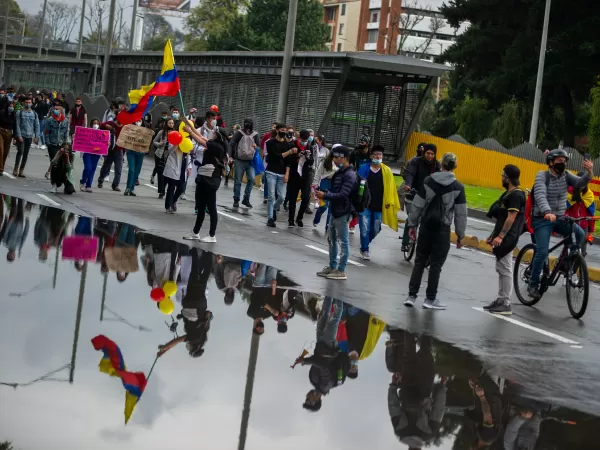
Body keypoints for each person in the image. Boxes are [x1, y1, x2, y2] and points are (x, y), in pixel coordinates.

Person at [527, 149, 593, 300]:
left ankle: (566, 263)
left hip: (560, 217)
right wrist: (547, 211)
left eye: (564, 161)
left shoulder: (565, 175)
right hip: (543, 218)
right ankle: (533, 283)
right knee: (542, 252)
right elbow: (540, 194)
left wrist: (589, 172)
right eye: (559, 161)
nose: (562, 163)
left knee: (580, 233)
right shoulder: (542, 176)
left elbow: (578, 183)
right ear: (550, 162)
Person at [405, 153, 467, 310]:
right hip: (443, 229)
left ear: (441, 164)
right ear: (455, 166)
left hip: (426, 226)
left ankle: (411, 296)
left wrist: (412, 225)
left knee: (419, 261)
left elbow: (417, 205)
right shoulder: (458, 187)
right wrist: (460, 235)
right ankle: (430, 299)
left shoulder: (428, 181)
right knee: (435, 265)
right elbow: (461, 214)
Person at [296, 296, 352, 412]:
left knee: (323, 315)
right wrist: (305, 361)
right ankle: (339, 294)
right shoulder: (325, 385)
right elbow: (323, 366)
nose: (307, 397)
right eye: (308, 400)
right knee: (335, 319)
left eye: (305, 399)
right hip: (329, 347)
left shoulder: (312, 380)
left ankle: (328, 293)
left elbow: (315, 360)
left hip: (320, 344)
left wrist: (304, 358)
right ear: (316, 400)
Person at [484, 165, 526, 315]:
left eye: (503, 175)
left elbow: (511, 217)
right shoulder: (508, 194)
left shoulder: (516, 195)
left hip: (508, 237)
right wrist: (493, 234)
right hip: (502, 235)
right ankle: (501, 300)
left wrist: (501, 236)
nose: (501, 178)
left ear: (508, 178)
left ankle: (506, 303)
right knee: (501, 268)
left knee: (505, 269)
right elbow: (502, 218)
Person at [157, 248, 214, 359]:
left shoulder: (202, 334)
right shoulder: (194, 338)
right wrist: (164, 347)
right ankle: (196, 253)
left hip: (199, 303)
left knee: (202, 278)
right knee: (194, 276)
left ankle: (207, 255)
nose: (188, 347)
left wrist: (165, 351)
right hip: (191, 303)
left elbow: (207, 315)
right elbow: (178, 341)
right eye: (190, 350)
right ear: (195, 348)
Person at [315, 146, 357, 280]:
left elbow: (344, 195)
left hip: (343, 211)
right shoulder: (340, 172)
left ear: (344, 158)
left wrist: (325, 196)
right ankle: (332, 267)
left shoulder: (349, 175)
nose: (334, 159)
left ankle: (341, 270)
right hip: (335, 210)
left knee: (343, 241)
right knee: (331, 239)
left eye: (336, 157)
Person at [184, 122, 228, 242]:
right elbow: (201, 136)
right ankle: (195, 232)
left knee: (211, 207)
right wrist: (191, 127)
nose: (212, 132)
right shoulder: (215, 143)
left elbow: (200, 140)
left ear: (218, 135)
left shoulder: (217, 146)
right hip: (204, 176)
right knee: (201, 205)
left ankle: (212, 235)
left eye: (214, 131)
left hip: (211, 178)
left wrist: (189, 132)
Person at [356, 145, 400, 260]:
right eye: (375, 154)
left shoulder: (387, 171)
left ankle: (366, 242)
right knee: (364, 227)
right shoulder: (363, 169)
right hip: (365, 204)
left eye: (379, 155)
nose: (377, 156)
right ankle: (364, 249)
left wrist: (389, 201)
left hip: (380, 204)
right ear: (371, 156)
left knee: (376, 228)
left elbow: (391, 188)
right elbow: (357, 185)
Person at [401, 143, 441, 251]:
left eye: (432, 154)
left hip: (428, 197)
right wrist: (408, 185)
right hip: (413, 193)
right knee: (412, 217)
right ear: (424, 153)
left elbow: (440, 179)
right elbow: (410, 174)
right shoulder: (415, 162)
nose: (430, 156)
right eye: (428, 153)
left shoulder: (437, 166)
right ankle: (405, 242)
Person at [265, 123, 296, 227]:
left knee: (282, 197)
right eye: (282, 129)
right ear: (277, 130)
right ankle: (270, 218)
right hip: (271, 171)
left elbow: (288, 161)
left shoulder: (287, 144)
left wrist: (287, 173)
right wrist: (289, 152)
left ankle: (273, 208)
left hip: (282, 173)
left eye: (285, 130)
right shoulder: (270, 143)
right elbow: (275, 156)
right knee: (271, 195)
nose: (284, 131)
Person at [286, 129, 315, 227]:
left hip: (306, 175)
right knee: (292, 198)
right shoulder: (293, 145)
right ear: (299, 138)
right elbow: (288, 160)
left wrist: (308, 157)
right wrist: (297, 155)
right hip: (294, 175)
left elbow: (312, 162)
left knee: (306, 198)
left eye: (306, 139)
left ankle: (299, 217)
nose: (305, 141)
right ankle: (291, 219)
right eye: (303, 139)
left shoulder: (310, 146)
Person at [230, 118, 259, 208]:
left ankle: (246, 198)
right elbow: (231, 143)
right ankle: (236, 199)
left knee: (251, 179)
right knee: (237, 181)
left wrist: (255, 146)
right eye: (246, 123)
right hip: (239, 160)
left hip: (250, 161)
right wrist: (230, 156)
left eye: (249, 123)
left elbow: (258, 146)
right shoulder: (239, 133)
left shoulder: (255, 134)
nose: (248, 125)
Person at [566, 171, 596, 256]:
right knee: (569, 250)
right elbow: (565, 209)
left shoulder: (589, 195)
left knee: (581, 252)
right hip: (571, 225)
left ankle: (578, 267)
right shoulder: (570, 193)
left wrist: (590, 231)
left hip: (584, 227)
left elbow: (591, 214)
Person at [161, 133, 188, 213]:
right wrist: (176, 144)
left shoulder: (186, 139)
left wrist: (189, 167)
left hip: (182, 167)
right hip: (172, 165)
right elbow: (169, 151)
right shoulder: (175, 137)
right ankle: (168, 206)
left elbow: (188, 152)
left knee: (181, 187)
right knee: (171, 187)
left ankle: (173, 200)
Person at [13, 96, 39, 178]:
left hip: (29, 136)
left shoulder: (34, 114)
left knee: (25, 154)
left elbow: (37, 125)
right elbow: (17, 125)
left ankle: (21, 170)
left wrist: (36, 136)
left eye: (29, 103)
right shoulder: (19, 113)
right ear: (24, 103)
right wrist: (18, 135)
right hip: (22, 135)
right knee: (20, 151)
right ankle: (16, 168)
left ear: (32, 103)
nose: (28, 104)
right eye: (26, 102)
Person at [312, 147, 337, 229]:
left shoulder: (341, 163)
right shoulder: (325, 161)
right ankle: (316, 219)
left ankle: (328, 227)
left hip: (335, 185)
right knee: (323, 206)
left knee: (331, 209)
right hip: (324, 184)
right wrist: (314, 186)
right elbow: (318, 174)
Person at [152, 118, 176, 198]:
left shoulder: (175, 133)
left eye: (172, 123)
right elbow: (154, 141)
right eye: (169, 123)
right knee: (161, 173)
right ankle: (161, 191)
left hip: (169, 156)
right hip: (159, 154)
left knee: (167, 173)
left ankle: (165, 188)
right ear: (166, 124)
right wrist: (159, 144)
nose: (171, 125)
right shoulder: (161, 132)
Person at [43, 105, 69, 179]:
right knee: (54, 160)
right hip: (52, 143)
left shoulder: (65, 120)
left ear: (61, 111)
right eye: (55, 109)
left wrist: (66, 143)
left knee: (58, 160)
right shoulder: (50, 120)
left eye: (57, 109)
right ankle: (52, 176)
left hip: (61, 143)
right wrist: (48, 143)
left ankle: (49, 172)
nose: (55, 110)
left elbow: (66, 132)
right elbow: (47, 132)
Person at [97, 120, 123, 192]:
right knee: (106, 166)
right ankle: (101, 179)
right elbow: (100, 124)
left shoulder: (125, 127)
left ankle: (115, 185)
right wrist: (106, 126)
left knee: (118, 168)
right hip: (110, 149)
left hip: (119, 150)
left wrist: (124, 152)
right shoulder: (111, 123)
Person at [78, 118, 103, 193]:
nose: (96, 125)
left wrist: (107, 144)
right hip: (87, 153)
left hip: (96, 154)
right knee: (88, 168)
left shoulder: (101, 134)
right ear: (91, 124)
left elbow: (104, 144)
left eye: (97, 123)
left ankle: (88, 185)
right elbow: (80, 138)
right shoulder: (87, 132)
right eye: (94, 123)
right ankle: (83, 182)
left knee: (93, 169)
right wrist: (75, 137)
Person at [124, 129, 145, 197]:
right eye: (137, 120)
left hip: (140, 152)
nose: (138, 121)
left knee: (137, 171)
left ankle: (132, 188)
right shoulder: (130, 128)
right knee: (131, 169)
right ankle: (128, 187)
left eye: (140, 120)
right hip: (131, 151)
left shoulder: (145, 129)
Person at [0, 98, 16, 176]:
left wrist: (15, 137)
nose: (11, 108)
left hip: (9, 133)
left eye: (12, 106)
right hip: (1, 131)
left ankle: (1, 167)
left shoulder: (14, 115)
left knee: (6, 152)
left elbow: (15, 126)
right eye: (10, 106)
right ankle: (0, 169)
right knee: (1, 149)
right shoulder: (2, 113)